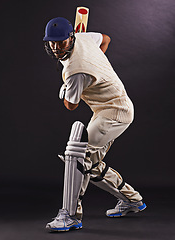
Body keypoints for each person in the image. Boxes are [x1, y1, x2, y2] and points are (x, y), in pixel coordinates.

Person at [43, 17, 146, 232]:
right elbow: (105, 39)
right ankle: (132, 200)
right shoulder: (84, 38)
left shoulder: (76, 71)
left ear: (70, 38)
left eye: (60, 43)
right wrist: (96, 63)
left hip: (114, 112)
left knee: (77, 156)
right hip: (109, 109)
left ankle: (70, 216)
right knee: (89, 162)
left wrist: (66, 87)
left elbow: (71, 105)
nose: (56, 48)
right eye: (52, 43)